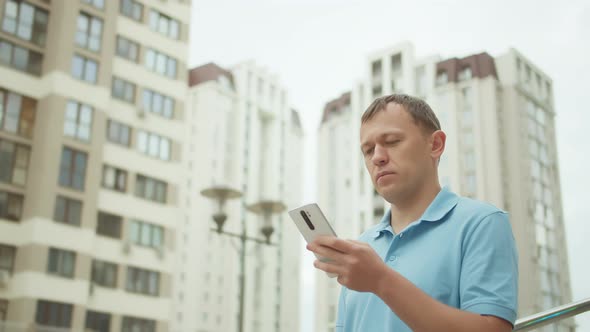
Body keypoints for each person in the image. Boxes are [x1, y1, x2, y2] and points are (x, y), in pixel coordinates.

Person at [307, 94, 518, 331]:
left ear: (435, 145)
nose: (377, 157)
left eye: (392, 141)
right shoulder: (362, 247)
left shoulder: (481, 223)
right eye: (368, 150)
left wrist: (380, 280)